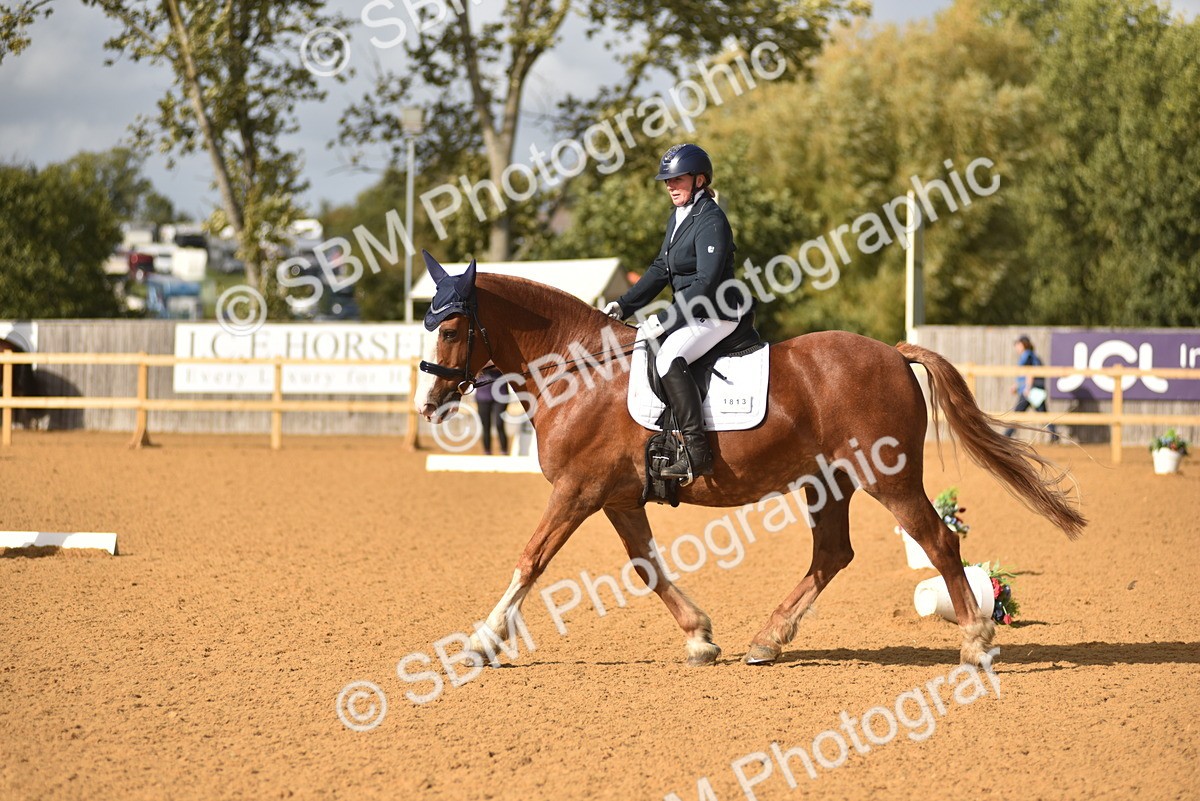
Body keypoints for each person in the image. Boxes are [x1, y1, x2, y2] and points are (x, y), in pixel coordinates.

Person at [604, 143, 750, 479]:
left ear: (699, 180)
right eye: (667, 181)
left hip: (716, 312)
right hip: (691, 311)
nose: (670, 186)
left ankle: (697, 453)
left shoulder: (711, 219)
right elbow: (661, 268)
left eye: (678, 179)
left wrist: (666, 319)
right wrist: (623, 305)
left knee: (669, 357)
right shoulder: (678, 216)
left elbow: (706, 282)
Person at [1004, 335, 1059, 441]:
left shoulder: (1027, 356)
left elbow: (1030, 372)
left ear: (1023, 345)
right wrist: (1017, 386)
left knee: (1017, 414)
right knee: (1042, 414)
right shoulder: (1031, 356)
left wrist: (1027, 388)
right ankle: (1054, 435)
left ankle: (1006, 437)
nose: (1016, 347)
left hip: (1030, 391)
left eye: (1018, 344)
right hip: (1033, 390)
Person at [475, 366, 510, 455]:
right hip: (483, 395)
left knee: (499, 424)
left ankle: (504, 451)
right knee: (486, 425)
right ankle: (487, 452)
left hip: (501, 394)